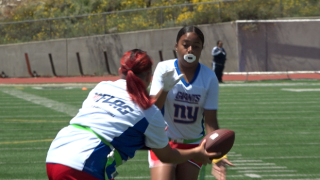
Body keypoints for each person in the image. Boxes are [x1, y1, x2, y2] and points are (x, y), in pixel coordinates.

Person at [45, 49, 219, 180]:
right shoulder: (149, 113)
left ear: (121, 69)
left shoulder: (101, 86)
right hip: (84, 163)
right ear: (150, 77)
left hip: (56, 154)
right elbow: (166, 155)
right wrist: (197, 152)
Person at [148, 26, 234, 180]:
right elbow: (152, 109)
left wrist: (219, 155)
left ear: (202, 49)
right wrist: (165, 89)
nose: (190, 50)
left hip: (195, 144)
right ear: (176, 46)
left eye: (196, 46)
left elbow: (210, 120)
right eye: (185, 45)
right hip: (164, 141)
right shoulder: (164, 68)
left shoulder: (209, 77)